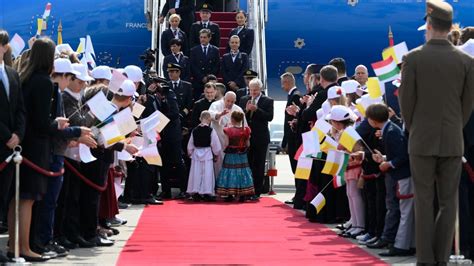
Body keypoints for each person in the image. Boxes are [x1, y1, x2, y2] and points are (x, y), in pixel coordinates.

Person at [398, 1, 474, 264]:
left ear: (429, 25)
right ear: (450, 26)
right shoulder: (466, 61)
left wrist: (417, 127)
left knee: (423, 200)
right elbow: (468, 104)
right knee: (448, 201)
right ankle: (441, 259)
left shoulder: (413, 58)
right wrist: (454, 127)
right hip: (453, 139)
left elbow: (406, 104)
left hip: (421, 139)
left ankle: (426, 260)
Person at [9, 37, 56, 262]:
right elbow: (42, 123)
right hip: (36, 148)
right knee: (27, 199)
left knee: (16, 199)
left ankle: (14, 244)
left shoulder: (23, 77)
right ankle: (24, 247)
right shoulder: (44, 82)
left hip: (22, 144)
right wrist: (59, 125)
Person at [366, 103, 415, 257]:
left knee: (405, 210)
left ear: (373, 120)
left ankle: (402, 245)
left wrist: (389, 163)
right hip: (397, 174)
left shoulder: (392, 131)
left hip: (402, 175)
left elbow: (403, 155)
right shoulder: (389, 129)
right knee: (397, 208)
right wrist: (385, 158)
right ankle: (397, 240)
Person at [0, 30, 26, 263]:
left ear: (5, 47)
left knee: (3, 198)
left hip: (10, 148)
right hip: (3, 141)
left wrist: (18, 133)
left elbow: (19, 107)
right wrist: (8, 135)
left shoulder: (11, 74)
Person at [240, 78, 273, 199]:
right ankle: (246, 190)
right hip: (246, 137)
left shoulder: (268, 100)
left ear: (260, 89)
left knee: (258, 165)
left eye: (255, 90)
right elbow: (238, 116)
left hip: (260, 138)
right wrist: (246, 110)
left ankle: (257, 191)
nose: (253, 92)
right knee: (247, 164)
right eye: (251, 89)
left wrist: (257, 110)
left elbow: (270, 117)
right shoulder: (244, 99)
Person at [215, 111, 255, 202]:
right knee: (243, 171)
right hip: (242, 155)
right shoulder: (246, 129)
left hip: (231, 154)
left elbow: (226, 143)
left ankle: (230, 193)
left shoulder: (228, 130)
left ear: (232, 119)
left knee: (230, 171)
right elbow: (248, 144)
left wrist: (224, 149)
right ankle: (242, 194)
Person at [208, 91, 246, 177]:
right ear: (224, 99)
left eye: (232, 102)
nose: (230, 103)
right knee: (218, 162)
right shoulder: (215, 105)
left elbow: (244, 126)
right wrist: (220, 114)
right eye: (228, 101)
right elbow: (210, 114)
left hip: (233, 143)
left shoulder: (238, 109)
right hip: (218, 140)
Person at [187, 111, 221, 201]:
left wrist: (190, 152)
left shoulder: (194, 130)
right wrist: (216, 154)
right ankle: (207, 192)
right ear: (209, 119)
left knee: (196, 173)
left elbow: (191, 144)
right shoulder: (211, 130)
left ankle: (196, 192)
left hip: (196, 153)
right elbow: (215, 144)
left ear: (200, 119)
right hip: (207, 153)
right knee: (207, 173)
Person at [280, 72, 303, 206]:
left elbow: (291, 121)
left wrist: (287, 141)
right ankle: (298, 195)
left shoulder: (295, 96)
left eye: (283, 83)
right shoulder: (293, 95)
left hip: (294, 139)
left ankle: (298, 196)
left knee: (297, 168)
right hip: (292, 138)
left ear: (288, 82)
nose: (282, 86)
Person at [190, 28, 220, 100]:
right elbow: (192, 65)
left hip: (211, 81)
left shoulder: (215, 50)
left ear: (209, 38)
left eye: (205, 37)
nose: (202, 39)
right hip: (198, 81)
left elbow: (217, 65)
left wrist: (209, 77)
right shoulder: (194, 50)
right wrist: (201, 77)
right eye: (201, 37)